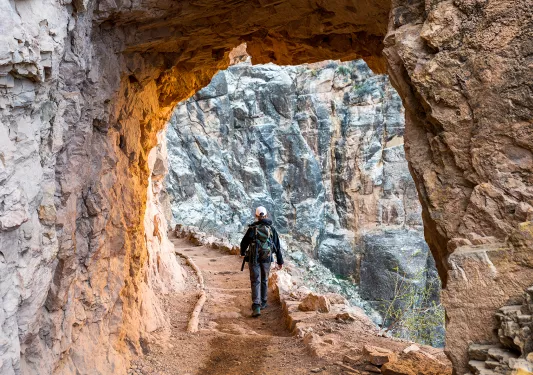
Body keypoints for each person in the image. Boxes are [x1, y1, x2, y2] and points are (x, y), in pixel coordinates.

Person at [240, 206, 283, 317]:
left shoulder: (252, 228)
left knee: (255, 280)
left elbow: (243, 243)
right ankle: (263, 302)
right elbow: (277, 246)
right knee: (264, 279)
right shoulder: (271, 229)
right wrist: (280, 261)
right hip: (267, 258)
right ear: (266, 215)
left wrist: (243, 253)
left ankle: (256, 306)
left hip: (253, 258)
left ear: (256, 216)